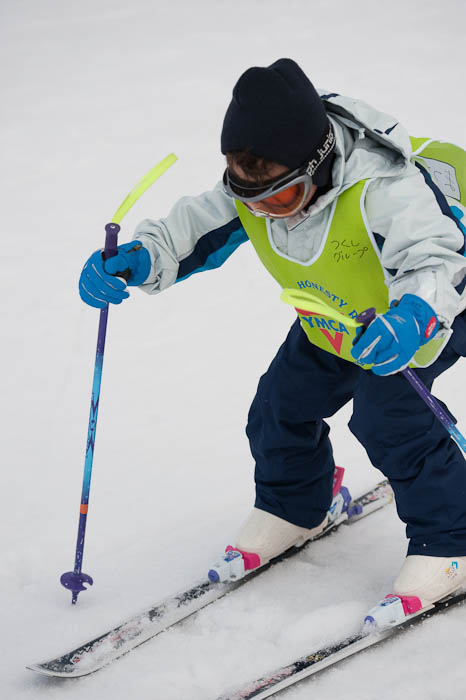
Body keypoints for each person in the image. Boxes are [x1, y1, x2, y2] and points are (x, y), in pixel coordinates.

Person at [79, 58, 466, 611]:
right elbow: (194, 227)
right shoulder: (257, 186)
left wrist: (412, 316)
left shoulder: (385, 186)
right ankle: (297, 504)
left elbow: (438, 257)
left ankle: (453, 540)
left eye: (281, 200)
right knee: (278, 407)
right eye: (249, 199)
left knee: (391, 418)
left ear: (321, 164)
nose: (264, 211)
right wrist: (141, 259)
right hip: (332, 318)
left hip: (426, 313)